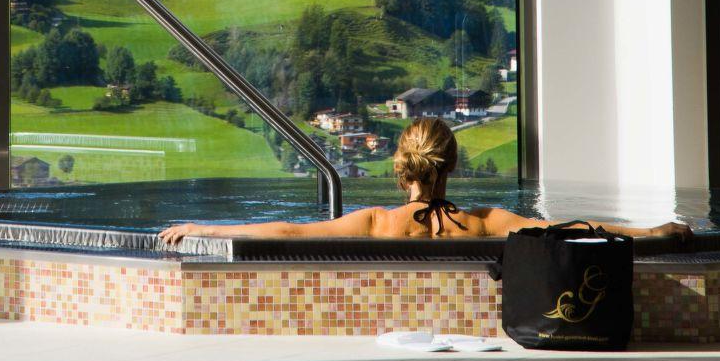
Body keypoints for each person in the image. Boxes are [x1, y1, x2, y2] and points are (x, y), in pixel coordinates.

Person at [159, 118, 692, 245]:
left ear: (401, 166)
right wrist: (648, 234)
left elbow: (290, 234)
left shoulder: (377, 222)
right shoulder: (483, 223)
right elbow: (562, 227)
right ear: (452, 166)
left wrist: (200, 227)